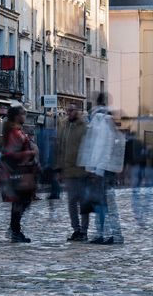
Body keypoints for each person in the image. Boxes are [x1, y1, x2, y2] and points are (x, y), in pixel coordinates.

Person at [78, 93, 125, 244]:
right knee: (101, 202)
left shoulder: (103, 119)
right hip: (101, 168)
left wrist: (96, 169)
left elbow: (102, 146)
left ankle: (113, 234)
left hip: (103, 169)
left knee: (107, 203)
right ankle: (102, 233)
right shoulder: (100, 119)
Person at [0, 105, 38, 243]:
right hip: (17, 173)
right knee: (21, 202)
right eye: (23, 114)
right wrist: (30, 153)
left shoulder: (16, 130)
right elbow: (11, 153)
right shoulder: (15, 132)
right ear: (17, 116)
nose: (24, 116)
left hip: (20, 171)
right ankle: (15, 230)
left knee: (20, 202)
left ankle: (14, 229)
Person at [56, 102, 90, 242]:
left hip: (82, 171)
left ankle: (84, 230)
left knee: (83, 203)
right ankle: (76, 229)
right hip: (68, 171)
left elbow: (89, 148)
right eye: (67, 111)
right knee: (71, 202)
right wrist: (59, 169)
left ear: (78, 111)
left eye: (72, 110)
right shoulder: (64, 127)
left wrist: (90, 169)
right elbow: (60, 148)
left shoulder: (85, 127)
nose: (69, 113)